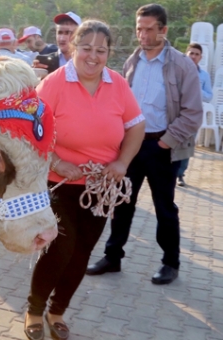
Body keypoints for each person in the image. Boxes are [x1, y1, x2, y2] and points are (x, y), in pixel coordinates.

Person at [24, 20, 145, 340]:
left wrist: (122, 162)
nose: (93, 56)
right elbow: (31, 131)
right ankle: (35, 309)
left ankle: (58, 311)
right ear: (74, 48)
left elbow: (136, 126)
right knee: (60, 248)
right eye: (87, 48)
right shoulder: (53, 83)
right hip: (57, 183)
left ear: (109, 53)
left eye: (101, 50)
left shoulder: (117, 83)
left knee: (82, 252)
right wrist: (57, 161)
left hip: (100, 186)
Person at [86, 4, 203, 286]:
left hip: (162, 147)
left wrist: (165, 142)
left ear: (164, 30)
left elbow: (193, 112)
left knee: (165, 208)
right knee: (122, 203)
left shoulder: (182, 65)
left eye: (149, 29)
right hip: (131, 147)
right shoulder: (132, 62)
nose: (143, 34)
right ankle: (112, 257)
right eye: (139, 28)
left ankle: (170, 263)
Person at [177, 43, 213, 186]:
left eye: (196, 54)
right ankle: (165, 173)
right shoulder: (177, 71)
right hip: (175, 113)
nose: (193, 56)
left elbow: (209, 96)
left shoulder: (204, 76)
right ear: (186, 54)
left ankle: (180, 174)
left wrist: (196, 86)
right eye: (191, 53)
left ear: (200, 57)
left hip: (192, 116)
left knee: (187, 145)